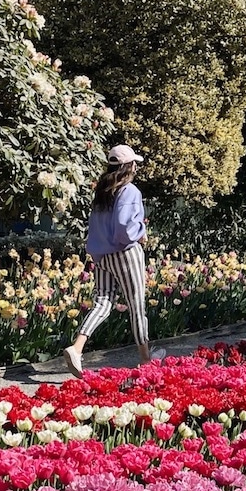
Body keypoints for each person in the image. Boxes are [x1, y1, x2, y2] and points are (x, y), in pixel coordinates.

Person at [63, 143, 166, 374]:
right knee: (136, 306)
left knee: (102, 303)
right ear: (129, 166)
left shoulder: (102, 191)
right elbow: (124, 229)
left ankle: (77, 348)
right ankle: (145, 359)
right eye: (135, 165)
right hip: (125, 254)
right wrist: (141, 232)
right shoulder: (129, 191)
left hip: (102, 256)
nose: (136, 169)